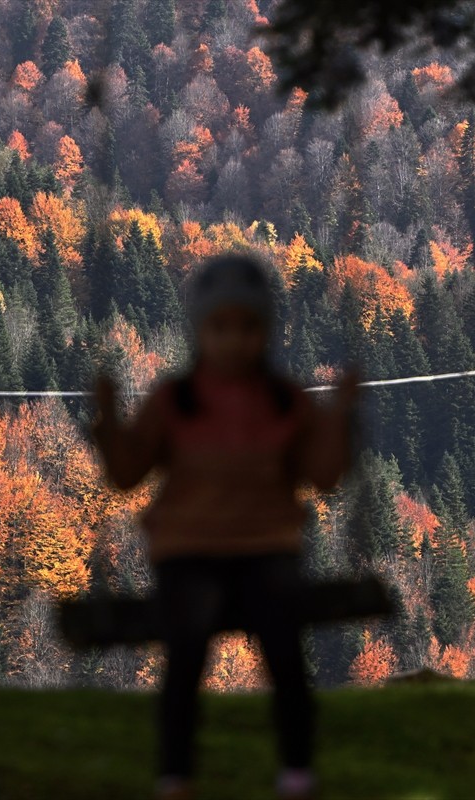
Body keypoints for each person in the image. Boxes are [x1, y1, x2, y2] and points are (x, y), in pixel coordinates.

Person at [91, 253, 359, 800]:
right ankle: (176, 776)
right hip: (190, 547)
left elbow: (324, 475)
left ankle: (296, 773)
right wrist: (109, 420)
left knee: (284, 649)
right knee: (186, 647)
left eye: (246, 329)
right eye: (219, 329)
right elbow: (126, 473)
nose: (233, 342)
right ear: (200, 332)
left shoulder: (285, 403)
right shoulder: (176, 402)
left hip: (266, 545)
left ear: (265, 333)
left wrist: (342, 418)